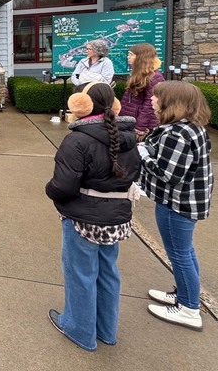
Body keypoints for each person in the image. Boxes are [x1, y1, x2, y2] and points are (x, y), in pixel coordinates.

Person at [45, 82, 141, 351]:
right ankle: (106, 330)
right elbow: (135, 174)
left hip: (82, 220)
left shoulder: (77, 140)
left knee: (81, 274)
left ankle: (79, 329)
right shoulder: (129, 138)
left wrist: (49, 190)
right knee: (108, 273)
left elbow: (63, 185)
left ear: (82, 105)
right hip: (116, 219)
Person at [138, 82, 212, 331]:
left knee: (179, 255)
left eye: (157, 97)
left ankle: (189, 309)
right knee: (185, 251)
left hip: (176, 203)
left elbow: (166, 173)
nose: (152, 100)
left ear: (172, 103)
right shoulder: (192, 128)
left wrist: (142, 154)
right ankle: (185, 295)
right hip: (187, 201)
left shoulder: (176, 134)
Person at [120, 43, 165, 142]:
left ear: (141, 57)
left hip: (144, 126)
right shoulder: (138, 73)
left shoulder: (154, 77)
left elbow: (150, 104)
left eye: (131, 54)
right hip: (132, 121)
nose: (128, 57)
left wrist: (140, 126)